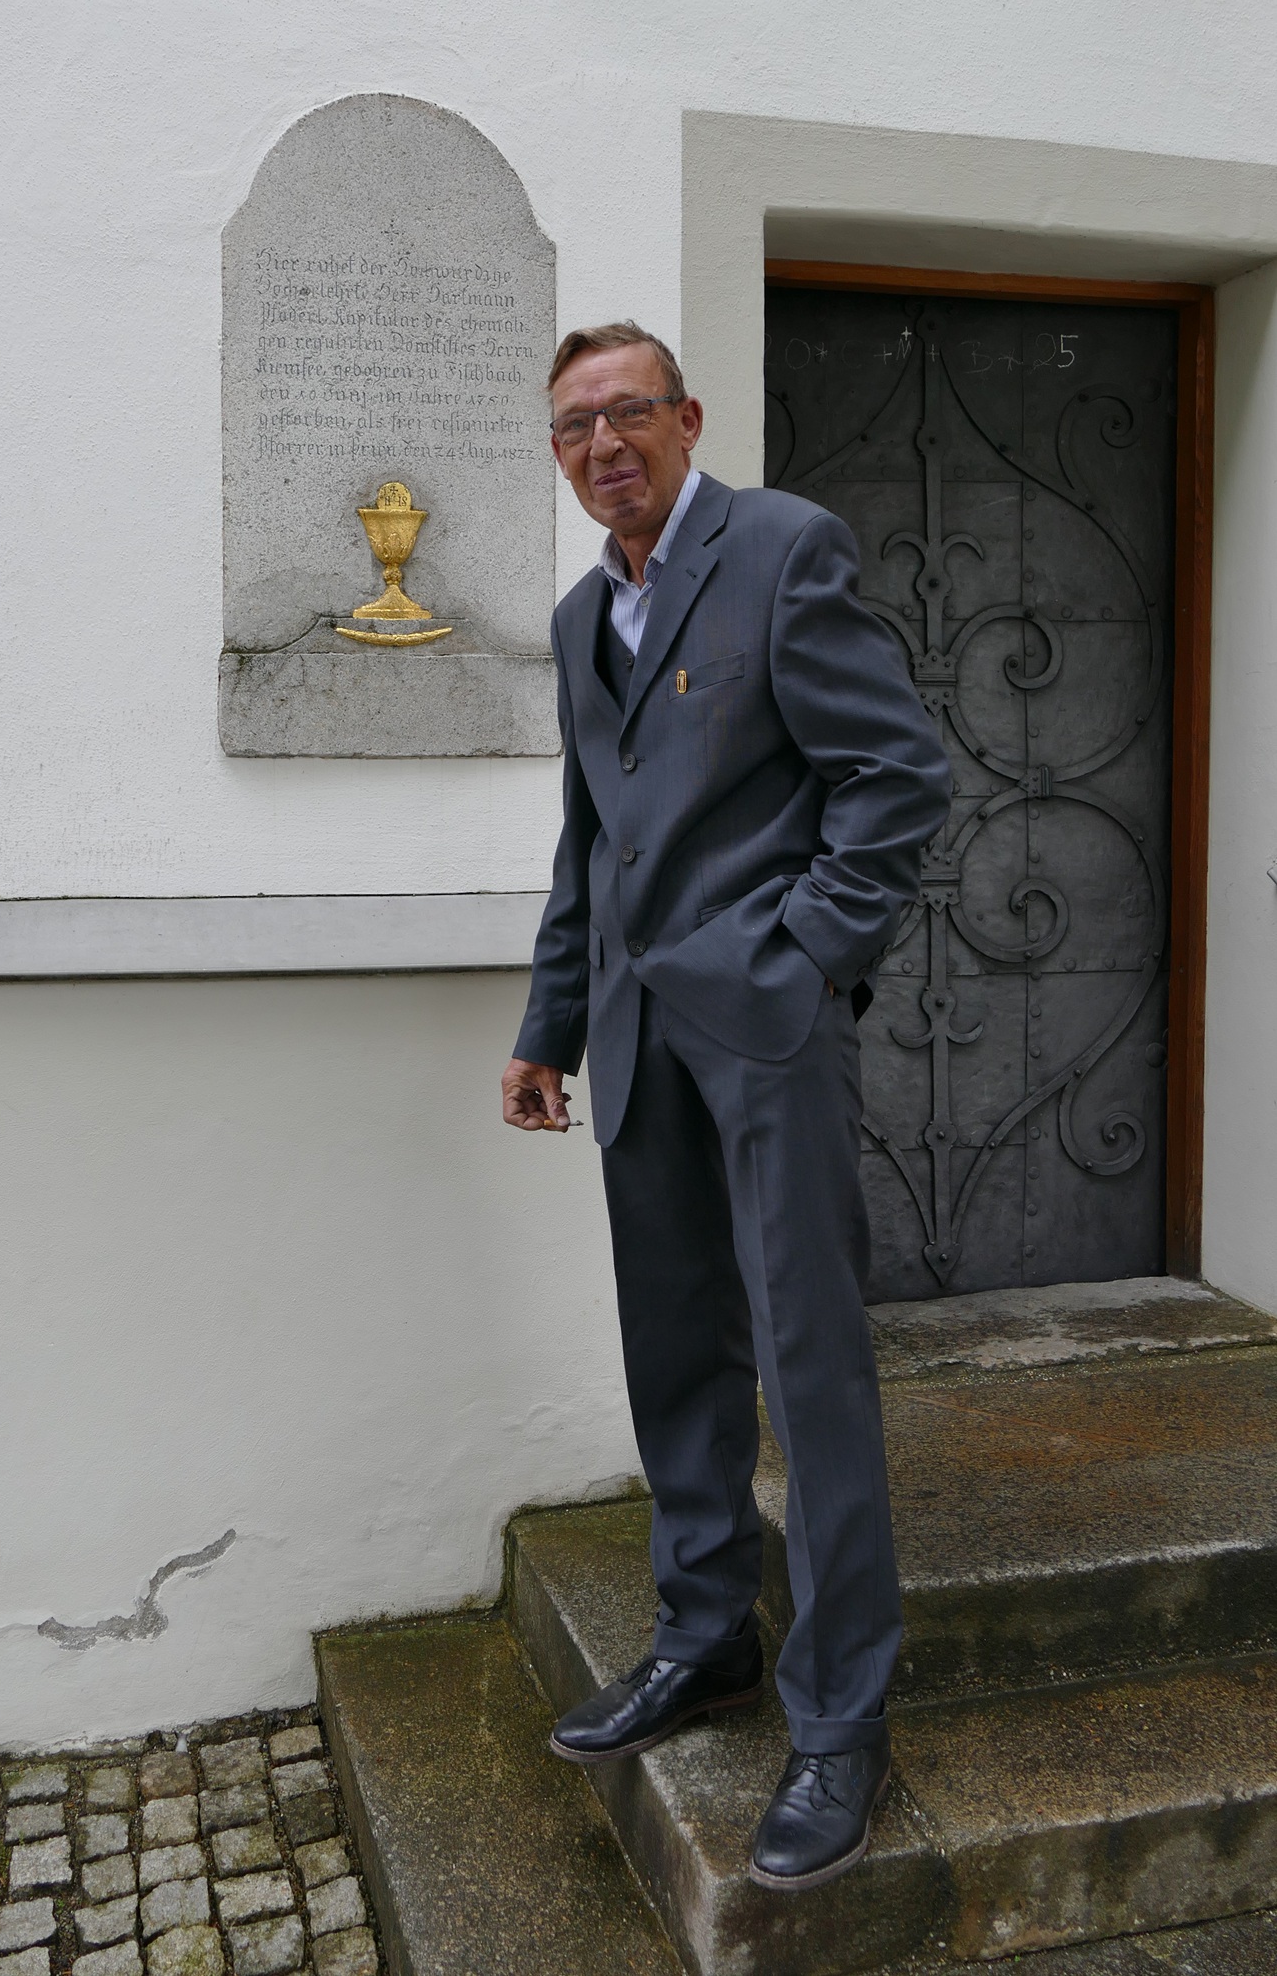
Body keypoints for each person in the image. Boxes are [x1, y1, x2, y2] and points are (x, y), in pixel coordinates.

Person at [501, 321, 952, 1891]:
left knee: (809, 1366)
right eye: (575, 425)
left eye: (629, 410)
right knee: (676, 1347)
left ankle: (840, 1718)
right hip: (635, 1036)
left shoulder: (781, 550)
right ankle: (706, 1635)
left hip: (764, 1030)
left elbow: (897, 774)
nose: (603, 442)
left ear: (687, 418)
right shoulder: (582, 617)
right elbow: (591, 841)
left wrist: (806, 957)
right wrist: (549, 1021)